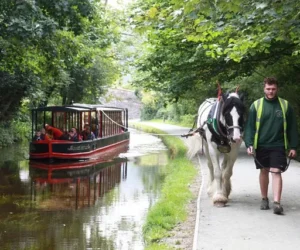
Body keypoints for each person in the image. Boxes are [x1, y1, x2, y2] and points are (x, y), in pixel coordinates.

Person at [244, 77, 298, 215]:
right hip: (261, 145)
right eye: (268, 89)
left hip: (279, 145)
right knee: (264, 171)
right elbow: (249, 127)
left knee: (276, 172)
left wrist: (293, 146)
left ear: (277, 89)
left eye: (273, 89)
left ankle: (277, 203)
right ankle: (264, 198)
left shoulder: (285, 106)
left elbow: (292, 128)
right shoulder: (256, 105)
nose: (271, 91)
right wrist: (249, 144)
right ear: (264, 89)